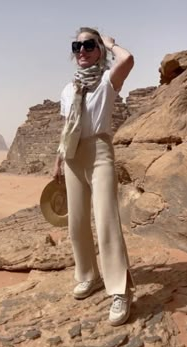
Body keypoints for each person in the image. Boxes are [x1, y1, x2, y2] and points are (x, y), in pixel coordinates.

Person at [53, 27, 135, 326]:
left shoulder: (107, 81)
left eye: (89, 45)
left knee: (106, 221)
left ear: (99, 49)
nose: (82, 51)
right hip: (72, 154)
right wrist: (58, 160)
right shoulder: (68, 89)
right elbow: (67, 127)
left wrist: (113, 44)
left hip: (100, 152)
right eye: (77, 46)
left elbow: (127, 59)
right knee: (76, 223)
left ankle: (120, 290)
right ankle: (89, 276)